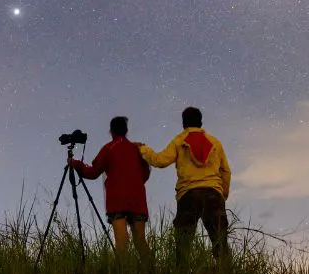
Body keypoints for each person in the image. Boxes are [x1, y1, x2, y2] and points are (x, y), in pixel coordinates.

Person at [138, 106, 231, 263]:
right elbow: (226, 171)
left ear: (183, 123)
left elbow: (160, 161)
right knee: (220, 243)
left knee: (183, 244)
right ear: (201, 122)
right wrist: (222, 194)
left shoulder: (179, 141)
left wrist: (143, 149)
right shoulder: (215, 142)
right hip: (213, 193)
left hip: (188, 195)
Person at [70, 116, 152, 260]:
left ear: (111, 131)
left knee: (121, 242)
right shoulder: (137, 149)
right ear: (126, 131)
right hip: (138, 201)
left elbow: (93, 172)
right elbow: (144, 175)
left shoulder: (108, 148)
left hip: (117, 201)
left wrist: (76, 164)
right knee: (140, 242)